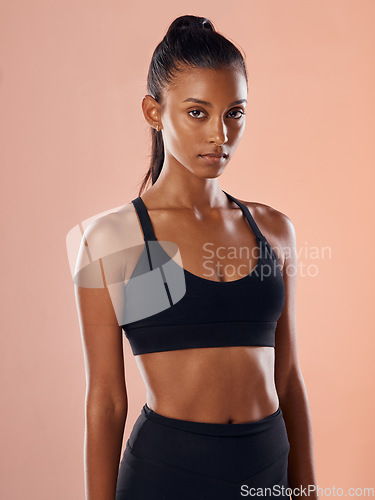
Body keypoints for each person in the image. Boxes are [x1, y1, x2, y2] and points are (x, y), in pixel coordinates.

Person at [73, 14, 318, 500]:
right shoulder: (113, 240)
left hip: (267, 472)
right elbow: (105, 399)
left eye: (235, 113)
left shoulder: (273, 230)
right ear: (152, 111)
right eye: (197, 112)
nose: (220, 135)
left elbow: (287, 378)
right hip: (168, 475)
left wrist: (307, 489)